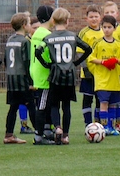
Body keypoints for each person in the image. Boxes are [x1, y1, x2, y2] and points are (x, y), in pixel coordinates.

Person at [35, 8, 92, 144]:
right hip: (69, 75)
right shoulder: (72, 36)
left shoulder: (48, 38)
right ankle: (65, 135)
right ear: (67, 21)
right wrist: (76, 62)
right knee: (66, 106)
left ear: (53, 21)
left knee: (54, 104)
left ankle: (57, 127)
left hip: (55, 74)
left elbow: (38, 51)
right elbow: (88, 48)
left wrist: (47, 64)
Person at [88, 15, 120, 136]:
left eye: (109, 27)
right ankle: (103, 127)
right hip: (102, 80)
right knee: (103, 103)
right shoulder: (98, 43)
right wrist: (103, 62)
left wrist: (115, 61)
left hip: (114, 80)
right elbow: (91, 58)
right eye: (104, 27)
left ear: (114, 28)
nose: (107, 29)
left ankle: (111, 127)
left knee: (113, 105)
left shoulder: (118, 44)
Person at [2, 13, 34, 145]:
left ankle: (8, 135)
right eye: (29, 23)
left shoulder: (10, 40)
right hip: (22, 78)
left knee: (13, 107)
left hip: (11, 78)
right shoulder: (25, 41)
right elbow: (27, 62)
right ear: (24, 25)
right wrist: (31, 82)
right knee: (31, 105)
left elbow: (5, 60)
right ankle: (40, 134)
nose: (30, 26)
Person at [102, 1, 120, 132]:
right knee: (105, 99)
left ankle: (118, 123)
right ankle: (105, 124)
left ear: (117, 14)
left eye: (112, 12)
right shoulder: (102, 30)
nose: (110, 14)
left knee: (118, 99)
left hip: (119, 71)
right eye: (107, 12)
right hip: (106, 72)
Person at [30, 5, 55, 145]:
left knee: (44, 103)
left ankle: (46, 130)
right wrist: (50, 64)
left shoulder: (37, 32)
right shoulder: (46, 35)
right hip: (43, 74)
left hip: (36, 71)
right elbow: (46, 55)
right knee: (42, 105)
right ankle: (38, 136)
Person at [78, 4, 103, 125]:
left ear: (100, 17)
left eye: (96, 16)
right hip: (88, 72)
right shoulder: (84, 33)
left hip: (101, 73)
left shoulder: (104, 31)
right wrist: (85, 68)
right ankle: (88, 124)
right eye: (91, 17)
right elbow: (79, 52)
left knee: (100, 99)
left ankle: (97, 124)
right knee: (87, 98)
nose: (94, 19)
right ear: (86, 18)